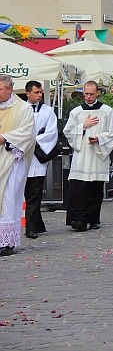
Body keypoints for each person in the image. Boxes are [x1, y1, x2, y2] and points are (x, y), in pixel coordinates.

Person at [64, 81, 113, 231]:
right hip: (81, 156)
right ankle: (78, 219)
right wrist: (83, 126)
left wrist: (99, 139)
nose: (88, 97)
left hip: (96, 155)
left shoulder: (107, 111)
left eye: (91, 94)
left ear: (97, 93)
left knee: (95, 188)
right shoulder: (76, 112)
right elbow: (67, 132)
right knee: (78, 188)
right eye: (86, 94)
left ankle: (94, 219)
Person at [0, 75, 35, 256]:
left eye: (0, 90)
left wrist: (6, 138)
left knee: (8, 198)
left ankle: (7, 242)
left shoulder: (23, 108)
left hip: (12, 159)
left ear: (9, 89)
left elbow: (28, 132)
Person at [23, 81, 57, 240]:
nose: (40, 95)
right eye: (36, 92)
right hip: (21, 157)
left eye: (41, 92)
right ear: (28, 93)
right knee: (26, 192)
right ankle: (38, 223)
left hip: (37, 158)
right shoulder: (20, 110)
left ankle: (30, 228)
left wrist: (34, 140)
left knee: (35, 194)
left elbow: (51, 133)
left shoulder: (48, 111)